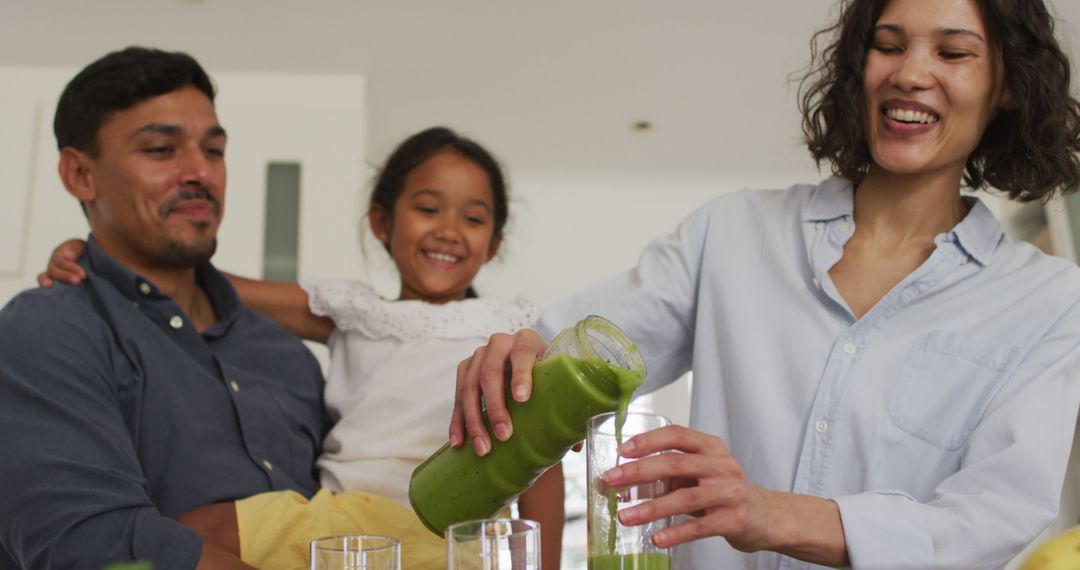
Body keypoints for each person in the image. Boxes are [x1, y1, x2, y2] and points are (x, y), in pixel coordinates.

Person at [449, 0, 1080, 568]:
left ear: (1008, 86)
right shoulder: (730, 233)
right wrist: (525, 355)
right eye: (888, 45)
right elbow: (582, 354)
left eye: (953, 52)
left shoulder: (1048, 302)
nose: (910, 73)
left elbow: (993, 516)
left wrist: (772, 514)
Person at [42, 127, 565, 569]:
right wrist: (96, 257)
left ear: (493, 243)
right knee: (199, 529)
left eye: (473, 220)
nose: (449, 231)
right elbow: (203, 282)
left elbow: (542, 457)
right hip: (342, 520)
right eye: (428, 208)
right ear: (383, 223)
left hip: (458, 530)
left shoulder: (505, 329)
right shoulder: (353, 311)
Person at [0, 47, 329, 570]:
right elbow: (87, 542)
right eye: (160, 149)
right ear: (80, 175)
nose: (201, 171)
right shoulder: (47, 328)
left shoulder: (288, 355)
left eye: (215, 151)